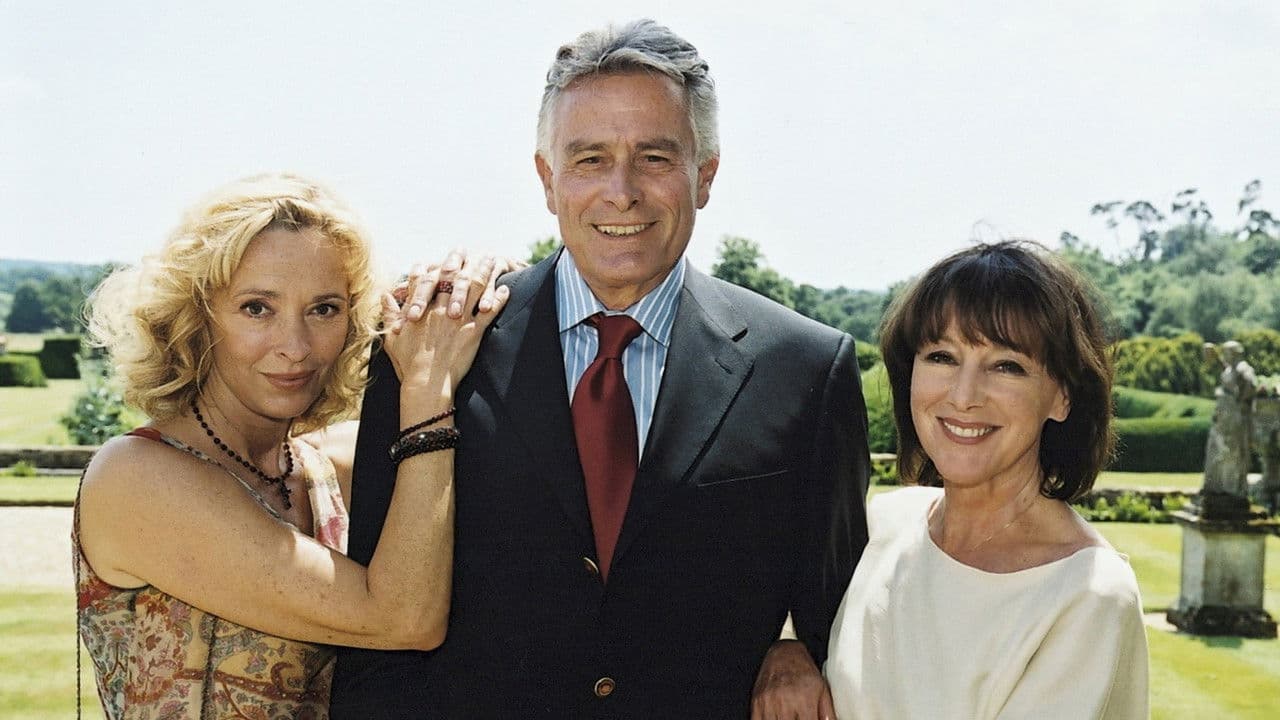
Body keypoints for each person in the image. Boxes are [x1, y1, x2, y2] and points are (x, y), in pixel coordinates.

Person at [333, 19, 871, 720]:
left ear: (705, 175)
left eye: (654, 157)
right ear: (546, 178)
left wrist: (796, 645)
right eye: (589, 159)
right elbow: (376, 646)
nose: (621, 191)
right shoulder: (429, 347)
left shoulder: (805, 370)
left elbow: (839, 611)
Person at [74, 172, 510, 717]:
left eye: (324, 309)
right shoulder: (137, 478)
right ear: (195, 317)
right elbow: (402, 619)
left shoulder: (328, 466)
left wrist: (500, 293)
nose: (296, 347)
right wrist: (427, 385)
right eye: (257, 308)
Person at [824, 240, 1149, 719]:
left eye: (1006, 366)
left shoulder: (1089, 596)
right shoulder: (882, 524)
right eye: (942, 357)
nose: (963, 396)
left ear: (1062, 396)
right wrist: (787, 658)